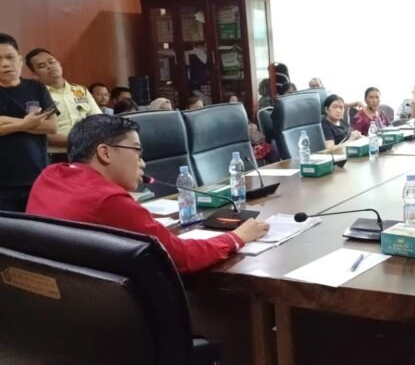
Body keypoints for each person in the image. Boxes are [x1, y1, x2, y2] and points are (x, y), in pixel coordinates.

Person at [26, 115, 269, 274]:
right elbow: (181, 258)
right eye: (137, 152)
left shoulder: (48, 176)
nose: (142, 163)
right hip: (115, 320)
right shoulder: (108, 201)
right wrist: (236, 237)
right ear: (105, 153)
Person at [0, 33, 58, 211]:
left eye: (9, 57)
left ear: (19, 59)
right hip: (3, 185)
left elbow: (51, 126)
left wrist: (7, 122)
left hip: (38, 177)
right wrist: (25, 124)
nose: (5, 64)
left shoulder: (36, 87)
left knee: (42, 225)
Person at [25, 48, 103, 163]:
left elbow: (99, 119)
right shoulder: (34, 97)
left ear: (59, 63)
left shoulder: (80, 91)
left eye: (51, 62)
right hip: (55, 157)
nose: (50, 67)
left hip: (88, 152)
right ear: (35, 74)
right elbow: (38, 132)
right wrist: (76, 141)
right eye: (42, 66)